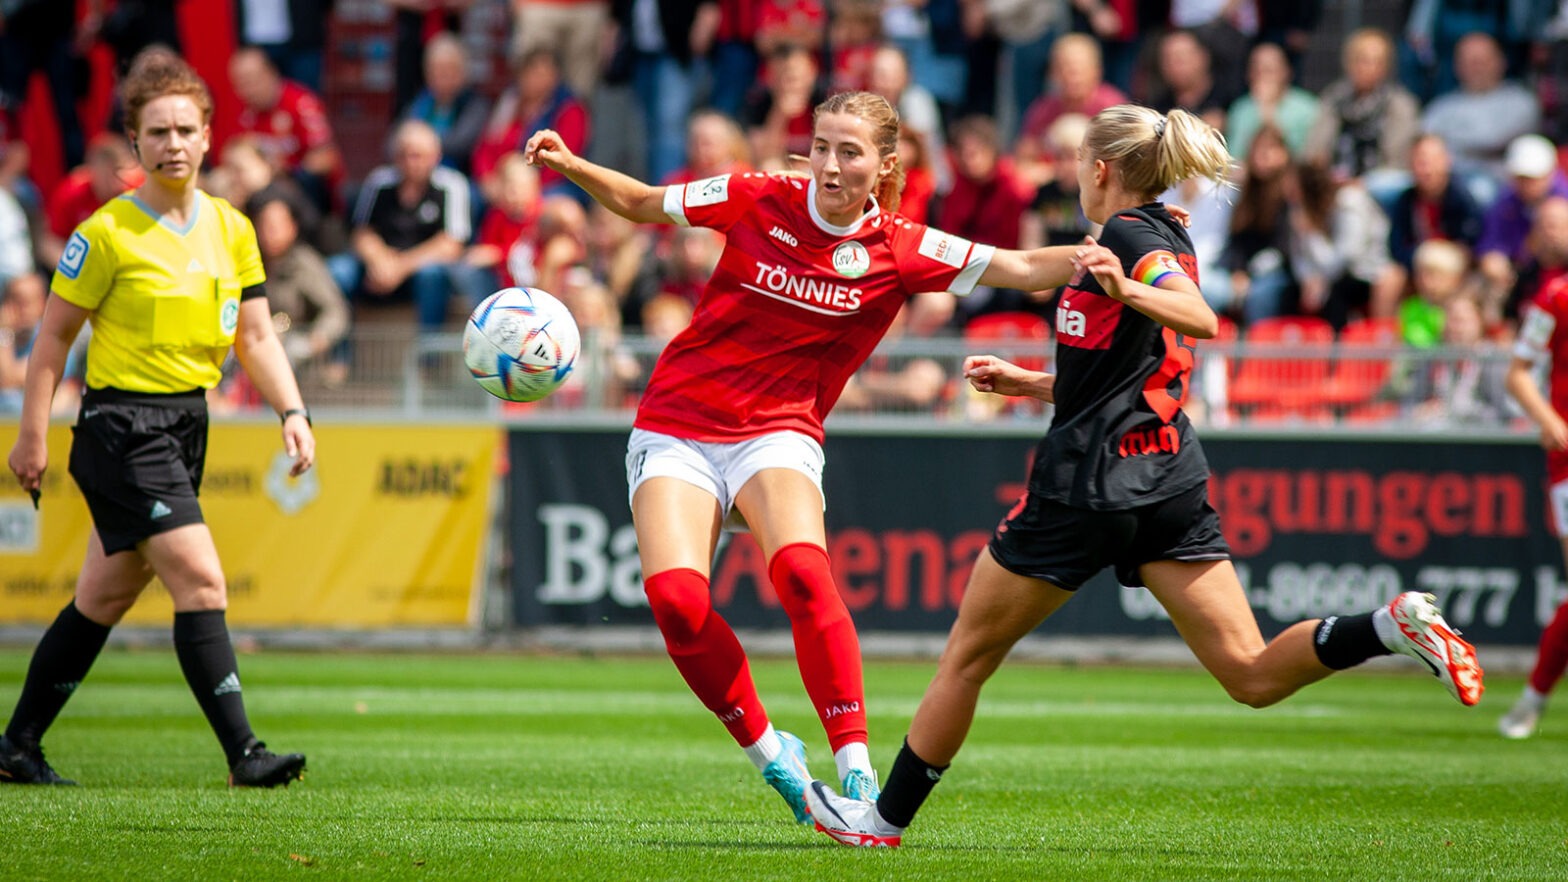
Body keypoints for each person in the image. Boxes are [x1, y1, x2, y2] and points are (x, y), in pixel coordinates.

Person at [804, 104, 1485, 848]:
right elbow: (1122, 375)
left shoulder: (1128, 236)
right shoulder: (1166, 231)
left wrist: (1126, 289)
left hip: (1086, 488)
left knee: (966, 657)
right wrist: (1031, 382)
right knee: (1251, 675)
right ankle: (1392, 626)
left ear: (1100, 170)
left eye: (1077, 166)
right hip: (1166, 482)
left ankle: (880, 822)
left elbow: (1199, 318)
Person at [523, 89, 1116, 824]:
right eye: (821, 147)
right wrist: (571, 163)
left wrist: (1115, 250)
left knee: (804, 573)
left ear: (884, 165)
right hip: (678, 419)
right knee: (678, 604)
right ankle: (773, 755)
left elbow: (1024, 265)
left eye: (849, 151)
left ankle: (858, 772)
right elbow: (644, 203)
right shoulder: (757, 194)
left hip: (778, 430)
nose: (829, 166)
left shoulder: (901, 246)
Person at [0, 53, 315, 787]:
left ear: (208, 136)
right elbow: (51, 338)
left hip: (186, 423)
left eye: (185, 128)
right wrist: (32, 431)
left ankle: (16, 744)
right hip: (121, 428)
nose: (173, 143)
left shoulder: (233, 229)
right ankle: (245, 754)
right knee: (202, 582)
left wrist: (292, 412)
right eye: (157, 131)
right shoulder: (105, 234)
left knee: (103, 597)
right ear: (135, 145)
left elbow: (258, 337)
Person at [1499, 267, 1568, 739]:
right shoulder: (1557, 294)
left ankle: (1531, 699)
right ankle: (1532, 698)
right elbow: (1518, 372)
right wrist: (1550, 419)